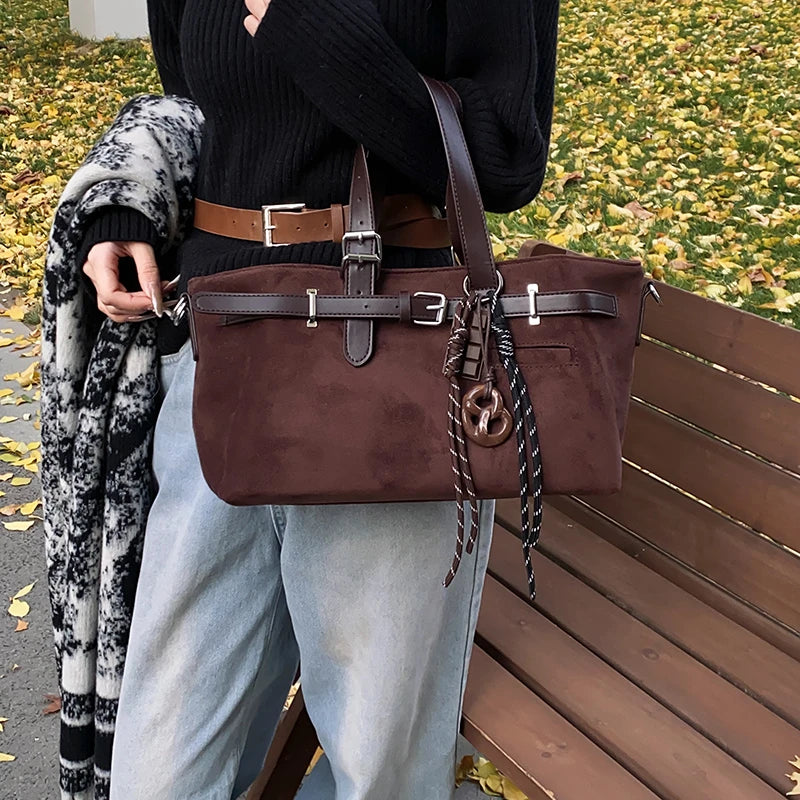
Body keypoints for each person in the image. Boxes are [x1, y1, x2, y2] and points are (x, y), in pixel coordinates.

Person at [76, 0, 560, 797]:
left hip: (395, 374)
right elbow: (194, 109)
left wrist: (310, 27)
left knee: (377, 772)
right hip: (225, 357)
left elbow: (505, 154)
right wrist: (129, 206)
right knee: (158, 772)